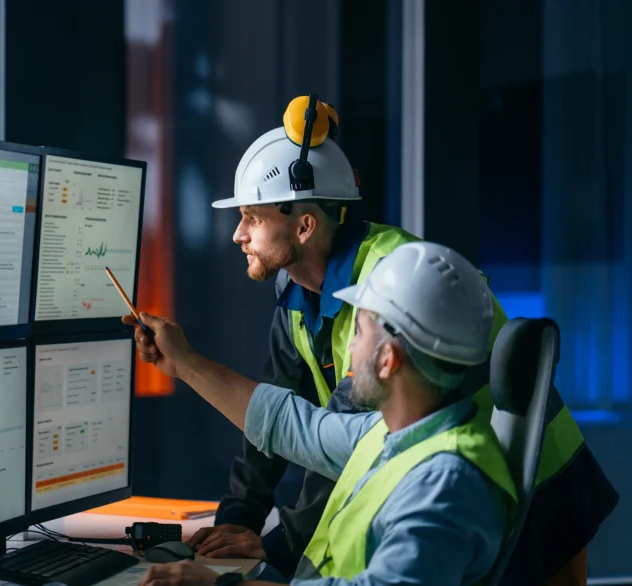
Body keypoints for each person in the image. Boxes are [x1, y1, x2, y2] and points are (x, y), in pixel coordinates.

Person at [188, 95, 618, 584]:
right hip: (453, 477)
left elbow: (342, 447)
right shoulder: (298, 290)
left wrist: (278, 546)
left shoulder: (393, 286)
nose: (237, 234)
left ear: (304, 225)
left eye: (252, 217)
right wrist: (240, 519)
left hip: (533, 478)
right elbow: (285, 413)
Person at [127, 241, 518, 586]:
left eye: (359, 334)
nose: (349, 351)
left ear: (387, 360)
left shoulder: (445, 485)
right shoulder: (394, 434)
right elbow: (295, 427)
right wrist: (184, 364)